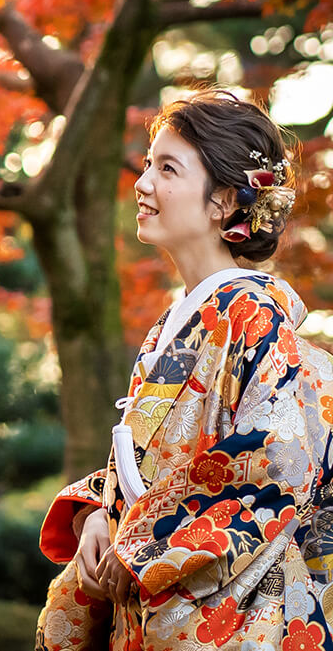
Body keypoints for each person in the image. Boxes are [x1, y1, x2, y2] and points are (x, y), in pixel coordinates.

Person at [35, 91, 333, 651]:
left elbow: (275, 461)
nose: (142, 183)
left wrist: (151, 542)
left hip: (215, 614)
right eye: (148, 164)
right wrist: (101, 514)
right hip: (151, 602)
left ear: (223, 201)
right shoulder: (175, 322)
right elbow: (146, 468)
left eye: (166, 168)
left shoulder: (250, 315)